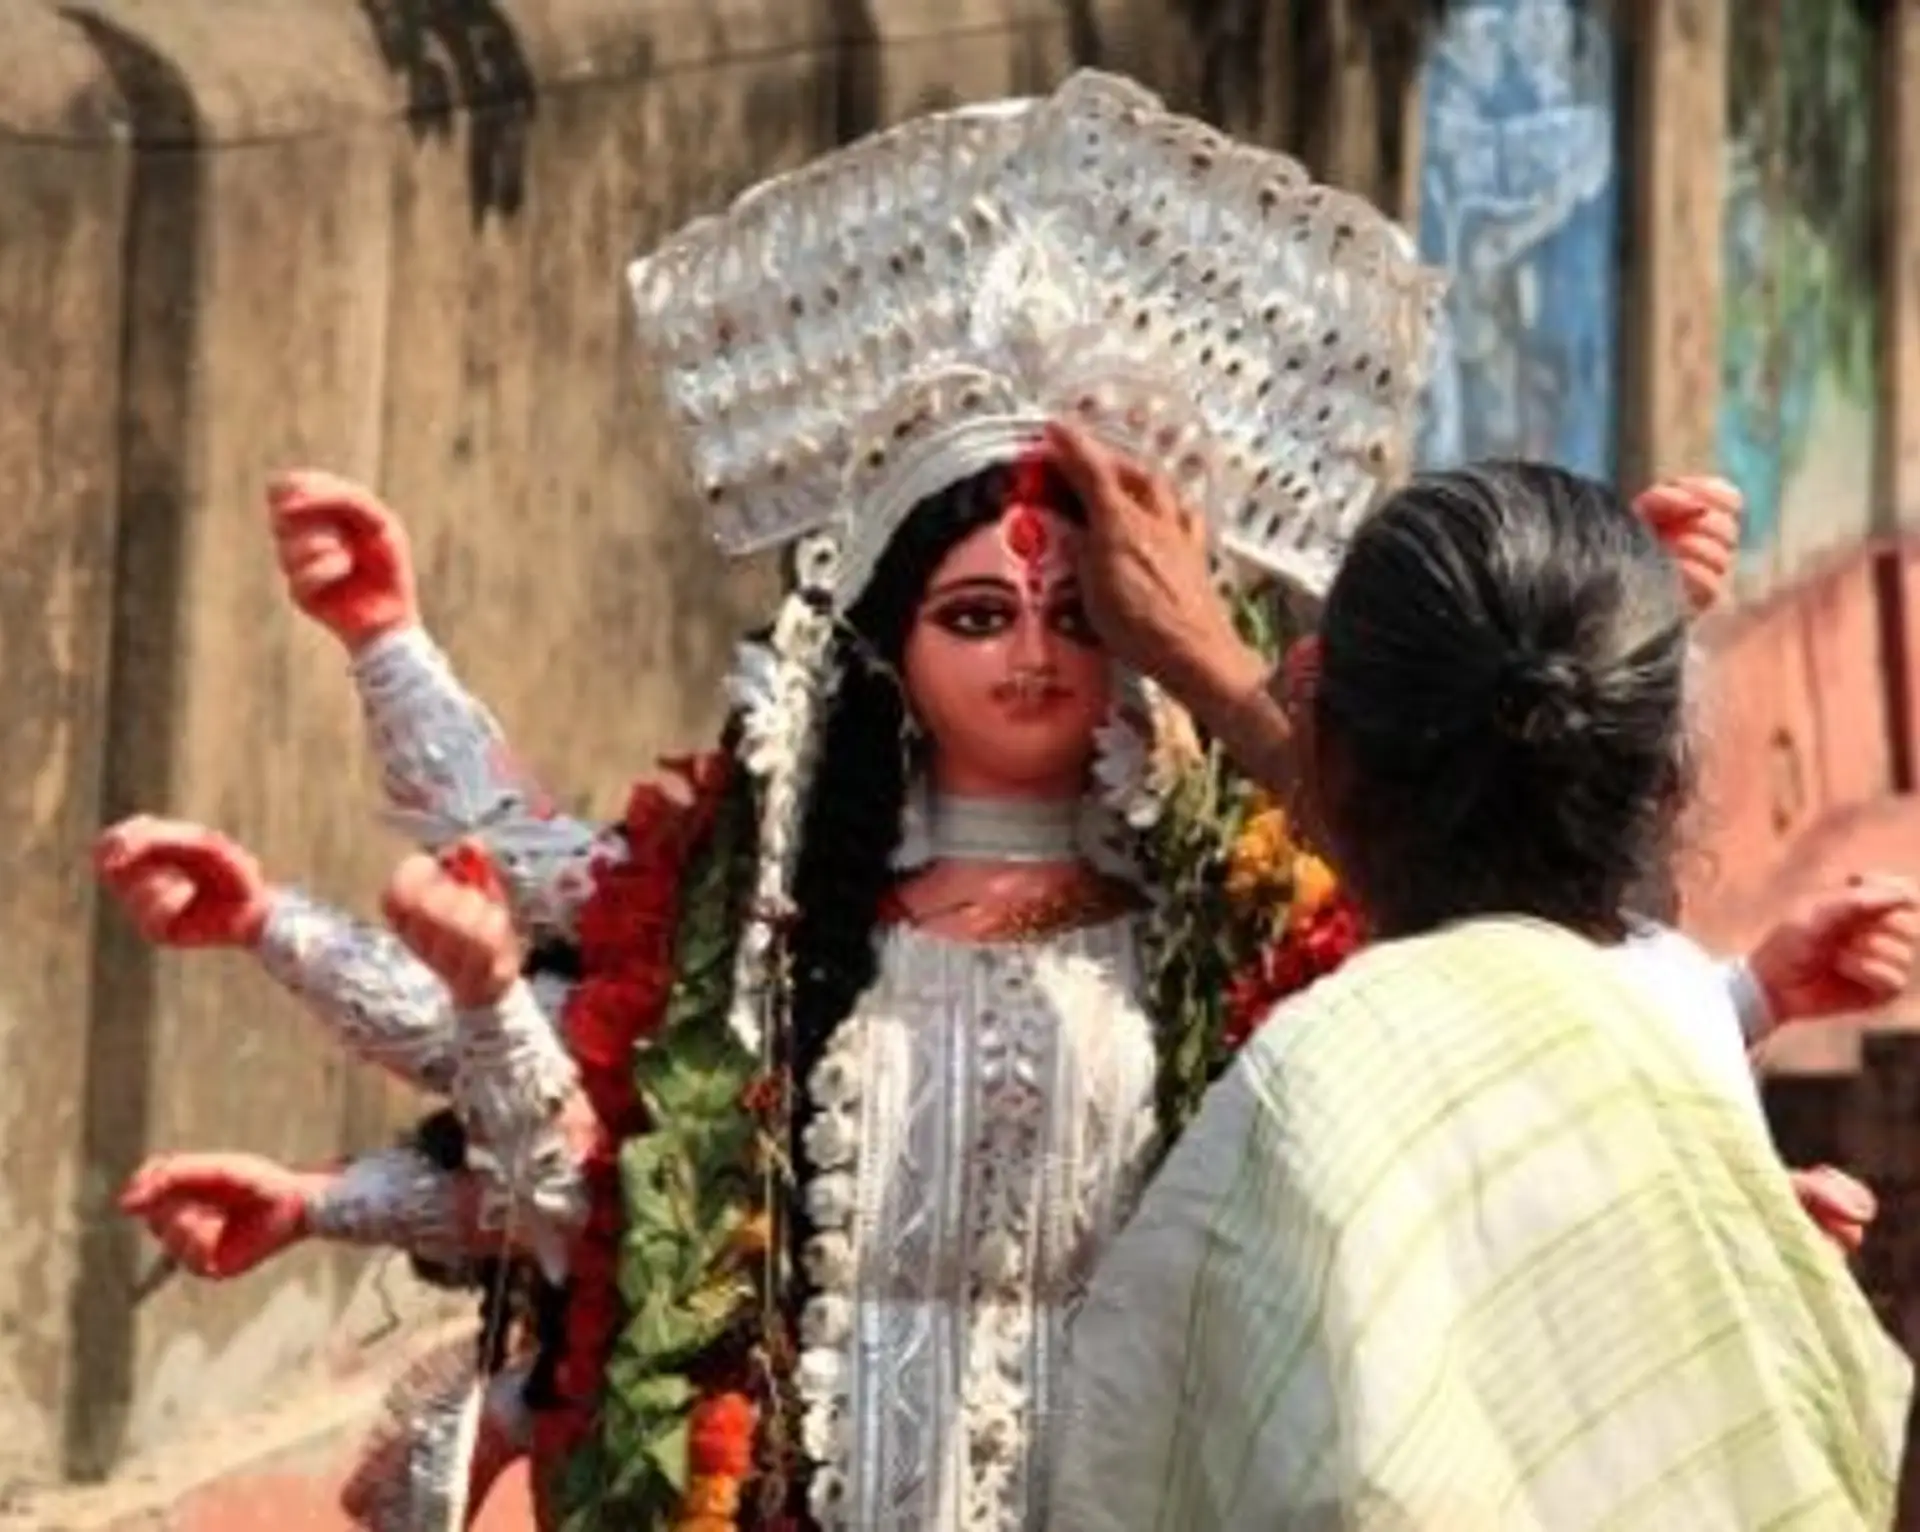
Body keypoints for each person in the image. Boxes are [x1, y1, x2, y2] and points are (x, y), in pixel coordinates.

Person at [93, 72, 1452, 1532]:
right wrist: (379, 659)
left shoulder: (1237, 941)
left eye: (1082, 615)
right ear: (890, 648)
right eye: (979, 615)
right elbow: (577, 1131)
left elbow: (1477, 940)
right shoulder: (762, 925)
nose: (1037, 656)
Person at [1047, 461, 1914, 1531]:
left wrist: (1214, 664)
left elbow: (1140, 1464)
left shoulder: (1319, 1080)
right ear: (1664, 773)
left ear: (1316, 704)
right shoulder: (1672, 1012)